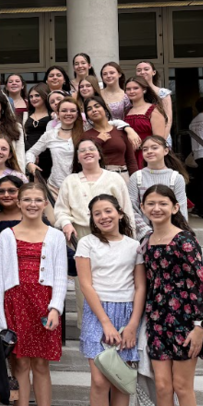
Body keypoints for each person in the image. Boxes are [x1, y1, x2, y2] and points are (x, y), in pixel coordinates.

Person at [141, 185, 203, 406]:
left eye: (162, 203)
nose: (156, 208)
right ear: (143, 208)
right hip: (158, 319)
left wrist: (200, 325)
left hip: (187, 320)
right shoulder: (146, 241)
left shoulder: (185, 240)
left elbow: (200, 283)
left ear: (175, 207)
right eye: (150, 203)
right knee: (162, 386)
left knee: (182, 386)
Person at [0, 182, 67, 406]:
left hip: (44, 306)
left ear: (46, 203)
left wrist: (56, 307)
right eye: (27, 199)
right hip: (16, 304)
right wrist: (2, 322)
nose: (32, 204)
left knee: (42, 366)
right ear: (19, 203)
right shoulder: (7, 235)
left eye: (38, 199)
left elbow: (61, 276)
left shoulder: (55, 236)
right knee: (21, 364)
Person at [75, 194, 145, 406]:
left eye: (108, 211)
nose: (103, 217)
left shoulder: (134, 246)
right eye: (97, 213)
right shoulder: (87, 243)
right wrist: (105, 322)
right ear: (92, 219)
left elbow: (140, 286)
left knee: (120, 379)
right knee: (100, 380)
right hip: (97, 313)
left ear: (119, 213)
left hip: (127, 314)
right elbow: (86, 284)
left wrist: (132, 325)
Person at [54, 140, 134, 328]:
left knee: (112, 279)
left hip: (112, 236)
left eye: (91, 149)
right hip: (81, 234)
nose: (87, 152)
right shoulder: (70, 180)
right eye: (82, 150)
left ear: (99, 154)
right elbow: (61, 210)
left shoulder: (114, 179)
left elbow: (126, 210)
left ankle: (117, 325)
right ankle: (87, 328)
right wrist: (66, 223)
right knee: (84, 284)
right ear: (77, 158)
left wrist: (129, 239)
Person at [128, 135, 189, 238]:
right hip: (143, 235)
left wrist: (178, 234)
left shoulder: (176, 178)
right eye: (145, 149)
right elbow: (131, 208)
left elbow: (181, 209)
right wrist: (146, 231)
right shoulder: (136, 177)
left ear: (166, 151)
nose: (149, 151)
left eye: (154, 148)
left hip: (171, 235)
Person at [26, 99, 85, 197]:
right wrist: (30, 163)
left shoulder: (84, 134)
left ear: (78, 113)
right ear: (58, 113)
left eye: (72, 111)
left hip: (80, 187)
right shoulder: (50, 135)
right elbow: (31, 152)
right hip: (55, 187)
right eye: (64, 110)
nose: (68, 113)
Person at [82, 96, 138, 179]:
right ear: (87, 115)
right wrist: (98, 141)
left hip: (122, 175)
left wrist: (135, 180)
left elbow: (131, 160)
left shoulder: (121, 131)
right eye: (89, 109)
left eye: (97, 106)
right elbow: (85, 159)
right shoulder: (86, 135)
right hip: (99, 177)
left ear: (105, 109)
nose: (94, 110)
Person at [124, 76, 170, 167]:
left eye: (135, 88)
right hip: (130, 156)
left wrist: (142, 147)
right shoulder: (126, 111)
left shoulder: (154, 110)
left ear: (144, 90)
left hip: (147, 156)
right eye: (128, 89)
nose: (131, 91)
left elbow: (159, 140)